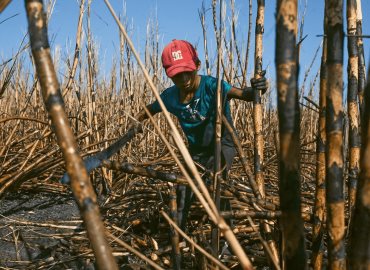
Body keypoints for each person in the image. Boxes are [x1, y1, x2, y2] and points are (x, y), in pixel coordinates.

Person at [131, 39, 268, 231]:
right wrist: (136, 121)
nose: (184, 79)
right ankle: (178, 235)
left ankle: (225, 237)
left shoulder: (212, 86)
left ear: (197, 65)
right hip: (195, 151)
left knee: (217, 182)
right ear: (169, 75)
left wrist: (258, 88)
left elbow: (243, 94)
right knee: (183, 188)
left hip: (224, 144)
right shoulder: (170, 97)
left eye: (188, 71)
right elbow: (149, 110)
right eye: (177, 75)